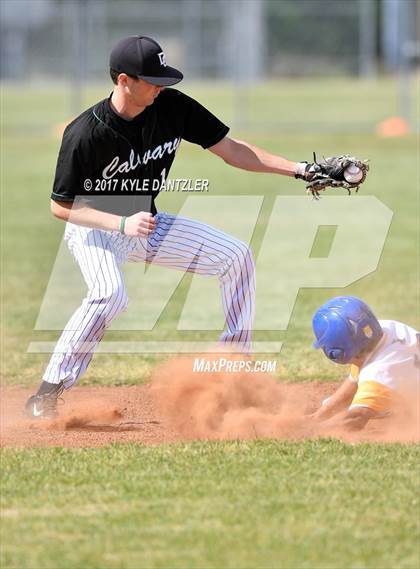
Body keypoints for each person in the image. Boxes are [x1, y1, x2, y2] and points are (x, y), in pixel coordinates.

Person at [25, 35, 312, 418]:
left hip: (145, 223)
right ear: (124, 80)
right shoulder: (85, 133)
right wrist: (120, 222)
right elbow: (61, 206)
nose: (161, 87)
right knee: (110, 295)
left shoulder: (173, 107)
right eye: (152, 80)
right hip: (95, 225)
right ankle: (47, 392)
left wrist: (300, 169)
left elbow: (233, 150)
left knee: (236, 257)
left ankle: (234, 373)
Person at [310, 296, 419, 430]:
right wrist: (318, 416)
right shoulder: (387, 328)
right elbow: (354, 381)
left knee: (381, 408)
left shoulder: (378, 373)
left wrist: (311, 430)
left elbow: (355, 418)